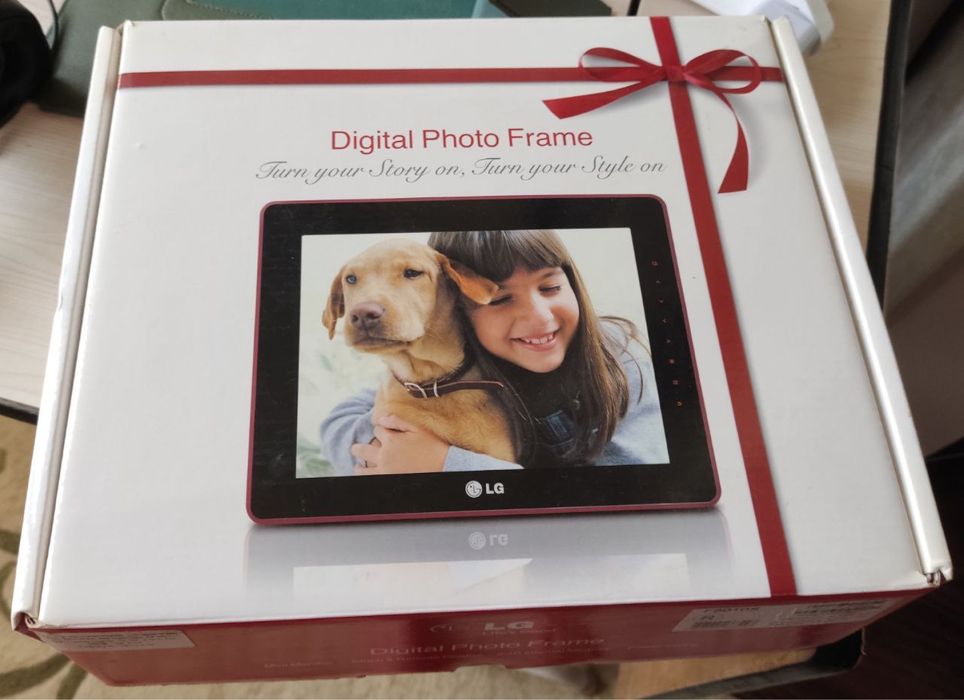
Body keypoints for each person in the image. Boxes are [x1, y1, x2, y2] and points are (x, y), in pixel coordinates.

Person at [320, 229, 668, 474]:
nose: (538, 317)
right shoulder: (445, 359)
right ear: (458, 300)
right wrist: (387, 451)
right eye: (499, 299)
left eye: (550, 287)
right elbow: (339, 422)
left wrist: (444, 464)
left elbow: (636, 488)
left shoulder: (617, 357)